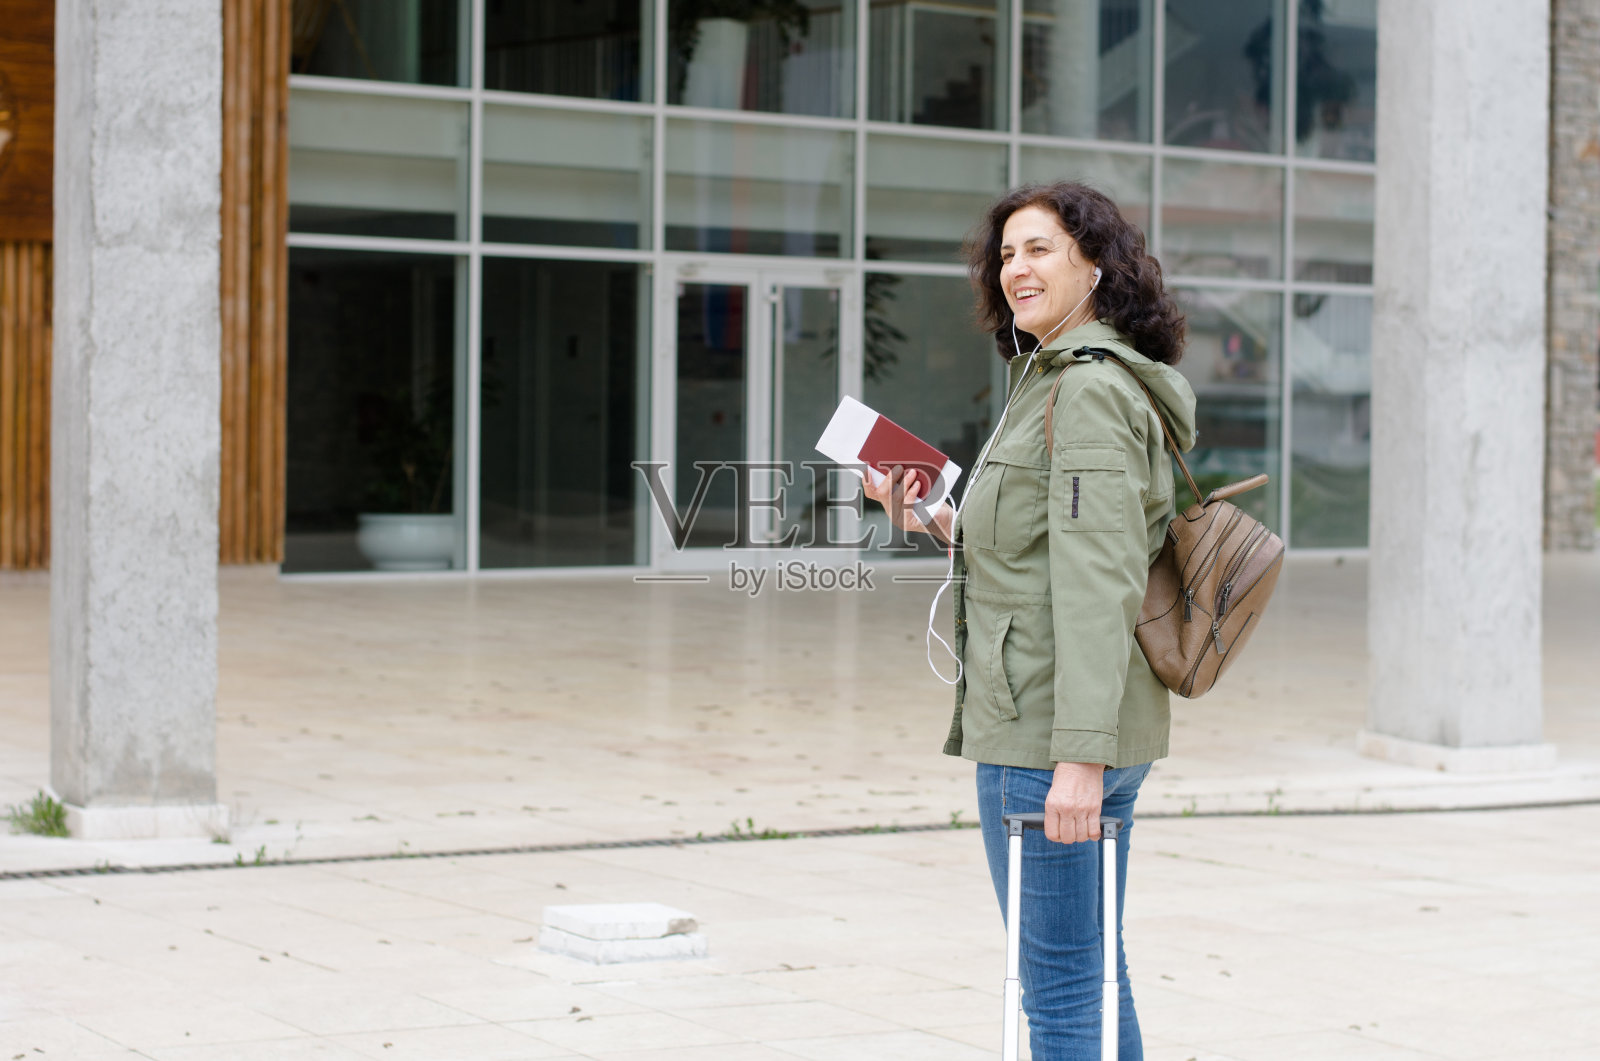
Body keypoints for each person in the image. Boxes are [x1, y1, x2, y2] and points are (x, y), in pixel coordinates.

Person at [864, 181, 1196, 1059]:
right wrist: (929, 515)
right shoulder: (1054, 381)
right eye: (1007, 253)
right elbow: (1037, 552)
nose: (1017, 267)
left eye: (1041, 247)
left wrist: (1077, 760)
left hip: (1049, 739)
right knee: (1090, 972)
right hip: (1073, 725)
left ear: (1095, 264)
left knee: (1057, 990)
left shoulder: (1083, 393)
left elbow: (1098, 578)